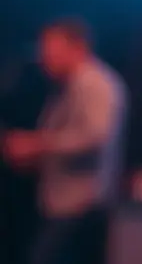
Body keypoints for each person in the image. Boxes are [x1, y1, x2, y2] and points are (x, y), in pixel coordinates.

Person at [1, 18, 129, 264]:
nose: (43, 56)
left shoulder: (95, 84)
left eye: (50, 47)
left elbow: (95, 136)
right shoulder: (68, 86)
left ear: (78, 47)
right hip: (63, 201)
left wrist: (36, 144)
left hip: (81, 204)